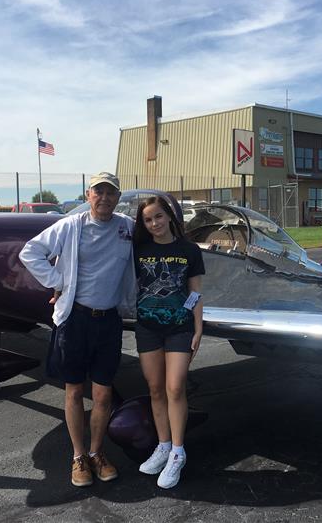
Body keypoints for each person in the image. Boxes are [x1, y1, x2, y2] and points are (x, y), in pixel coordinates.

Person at [18, 172, 135, 488]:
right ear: (89, 194)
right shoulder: (71, 226)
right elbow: (30, 252)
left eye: (111, 193)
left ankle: (97, 453)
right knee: (73, 390)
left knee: (103, 392)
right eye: (99, 192)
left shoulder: (127, 227)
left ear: (118, 198)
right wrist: (59, 282)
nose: (105, 198)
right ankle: (78, 457)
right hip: (75, 320)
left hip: (109, 320)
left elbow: (152, 249)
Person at [132, 196, 205, 489]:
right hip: (147, 327)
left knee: (175, 387)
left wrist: (198, 327)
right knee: (154, 389)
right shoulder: (139, 250)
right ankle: (162, 445)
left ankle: (177, 451)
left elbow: (195, 291)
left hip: (180, 327)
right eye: (148, 220)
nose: (154, 224)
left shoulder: (189, 250)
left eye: (159, 217)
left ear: (170, 217)